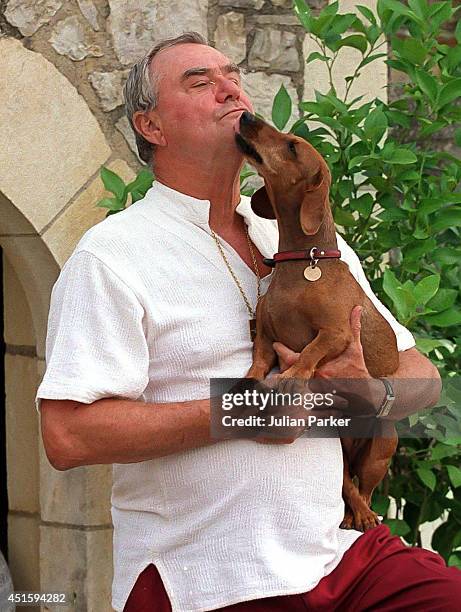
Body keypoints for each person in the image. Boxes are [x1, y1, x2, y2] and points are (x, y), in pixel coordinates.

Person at [36, 32, 459, 612]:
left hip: (338, 554)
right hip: (207, 576)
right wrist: (248, 410)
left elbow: (423, 378)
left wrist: (367, 396)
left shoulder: (308, 245)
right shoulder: (112, 256)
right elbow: (67, 435)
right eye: (199, 82)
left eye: (232, 74)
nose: (230, 88)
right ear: (151, 126)